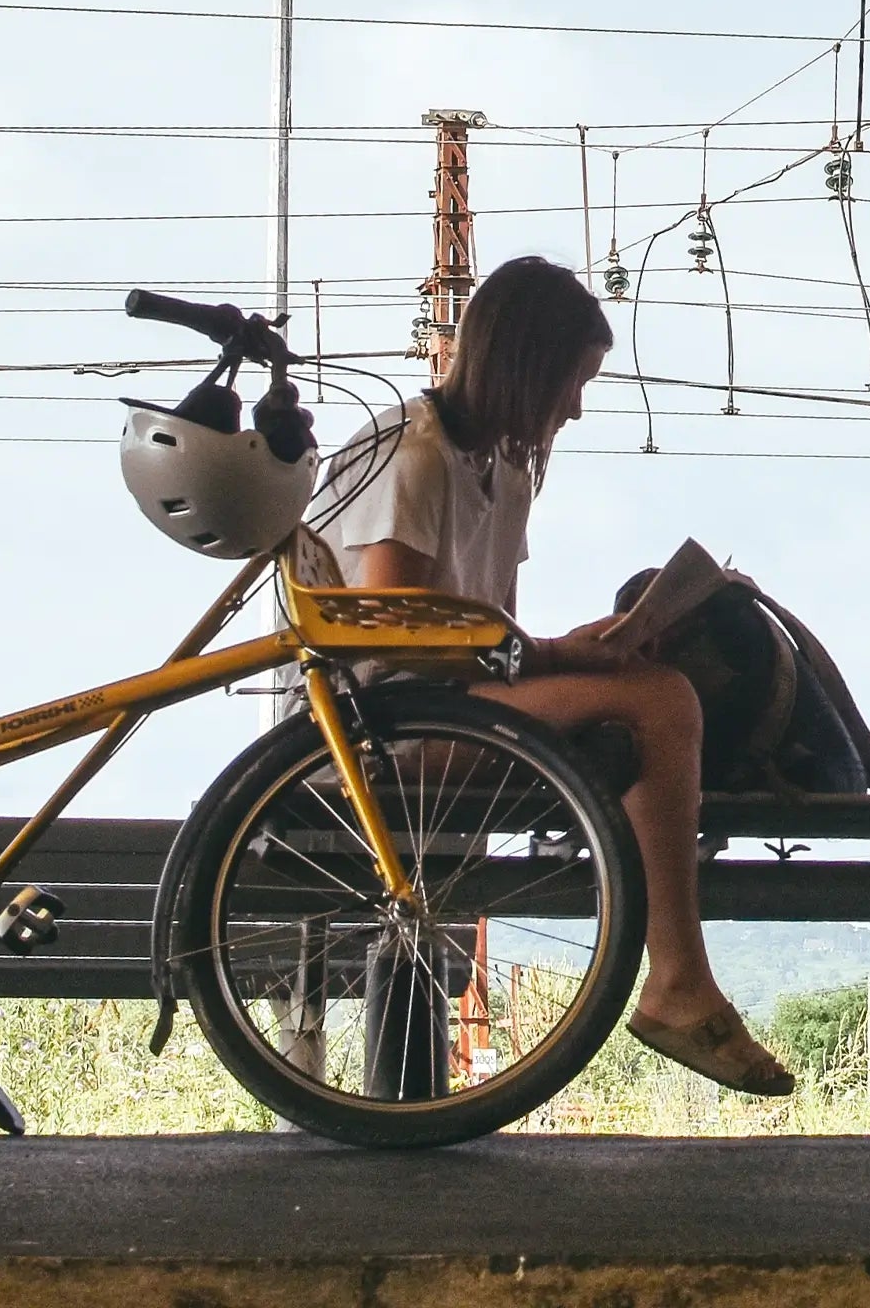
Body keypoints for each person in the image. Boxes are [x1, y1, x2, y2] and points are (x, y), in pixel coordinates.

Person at [308, 254, 793, 1096]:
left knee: (660, 682)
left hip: (446, 709)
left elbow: (492, 640)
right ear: (528, 367)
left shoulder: (503, 474)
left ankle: (679, 977)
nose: (573, 406)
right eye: (573, 382)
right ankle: (677, 981)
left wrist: (603, 642)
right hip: (366, 726)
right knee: (661, 705)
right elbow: (389, 630)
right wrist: (564, 658)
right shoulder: (413, 452)